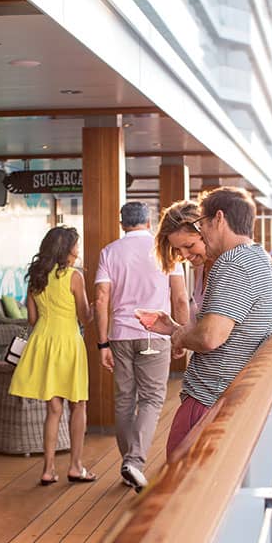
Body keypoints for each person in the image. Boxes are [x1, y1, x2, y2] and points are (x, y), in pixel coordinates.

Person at [142, 187, 272, 457]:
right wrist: (176, 328)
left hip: (209, 396)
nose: (203, 233)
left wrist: (181, 337)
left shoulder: (231, 263)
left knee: (179, 475)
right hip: (229, 396)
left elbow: (210, 338)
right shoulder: (260, 257)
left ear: (218, 219)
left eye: (203, 224)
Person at [95, 202, 188, 492]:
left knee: (124, 400)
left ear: (122, 223)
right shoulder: (166, 251)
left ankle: (128, 465)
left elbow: (101, 298)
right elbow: (181, 298)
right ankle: (134, 461)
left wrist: (102, 343)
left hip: (121, 334)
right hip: (155, 334)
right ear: (149, 222)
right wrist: (182, 334)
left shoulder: (109, 252)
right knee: (151, 399)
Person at [8, 226, 95, 485]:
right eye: (76, 246)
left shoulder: (37, 277)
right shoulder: (73, 277)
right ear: (67, 249)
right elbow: (84, 317)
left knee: (53, 408)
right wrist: (99, 308)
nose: (78, 251)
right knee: (78, 404)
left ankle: (48, 470)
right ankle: (76, 466)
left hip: (43, 342)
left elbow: (32, 319)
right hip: (68, 342)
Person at [155, 200, 214, 322]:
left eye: (189, 246)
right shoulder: (201, 268)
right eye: (177, 249)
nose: (184, 255)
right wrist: (172, 329)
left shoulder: (229, 267)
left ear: (205, 232)